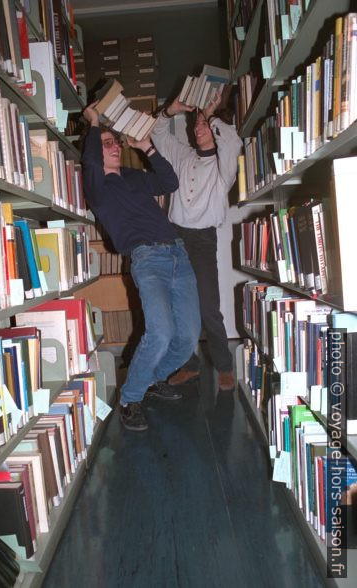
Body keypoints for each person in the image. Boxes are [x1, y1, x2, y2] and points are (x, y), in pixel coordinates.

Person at [81, 103, 201, 431]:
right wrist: (94, 122)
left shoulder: (134, 176)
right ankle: (130, 398)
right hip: (148, 261)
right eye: (106, 143)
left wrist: (146, 147)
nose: (114, 146)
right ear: (94, 149)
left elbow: (169, 182)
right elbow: (90, 160)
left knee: (188, 337)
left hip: (178, 254)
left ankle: (152, 378)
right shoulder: (97, 188)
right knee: (160, 332)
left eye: (115, 141)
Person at [151, 91, 242, 391]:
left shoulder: (223, 166)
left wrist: (211, 111)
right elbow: (157, 132)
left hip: (203, 240)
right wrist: (171, 110)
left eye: (204, 124)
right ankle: (188, 364)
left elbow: (233, 141)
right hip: (175, 237)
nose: (198, 128)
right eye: (197, 123)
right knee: (179, 305)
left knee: (208, 306)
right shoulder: (183, 155)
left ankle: (224, 365)